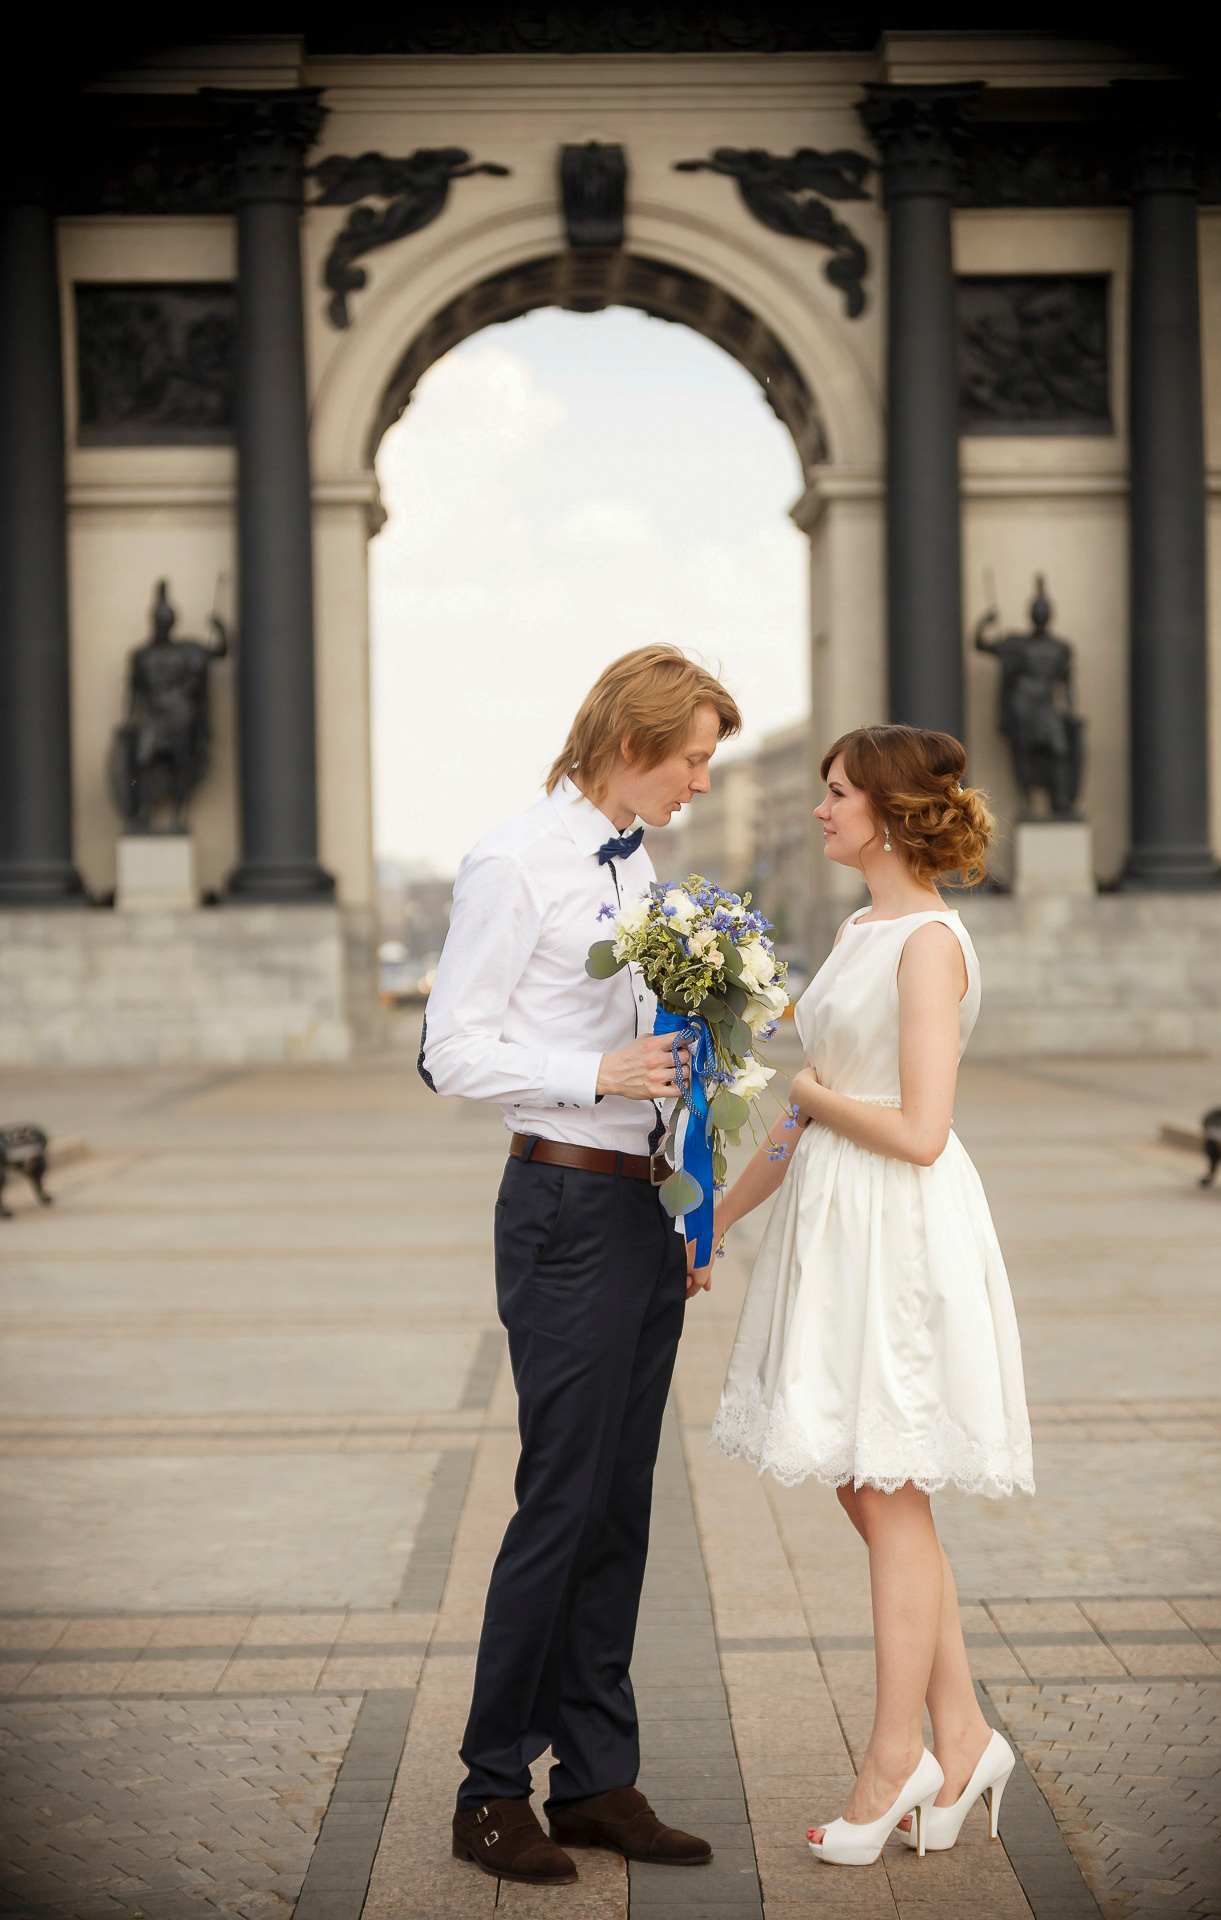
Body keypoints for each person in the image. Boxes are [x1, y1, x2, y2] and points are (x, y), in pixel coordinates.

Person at [421, 645, 742, 1886]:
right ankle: (490, 1788)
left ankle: (596, 1781)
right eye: (695, 759)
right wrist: (588, 1078)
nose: (703, 783)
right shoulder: (513, 860)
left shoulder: (638, 859)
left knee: (618, 1504)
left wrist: (692, 1213)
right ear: (631, 745)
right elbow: (450, 1052)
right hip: (557, 1203)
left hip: (637, 1215)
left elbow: (663, 1049)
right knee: (558, 1501)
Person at [702, 723, 1034, 1867]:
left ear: (887, 812)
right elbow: (802, 1113)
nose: (817, 809)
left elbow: (921, 1131)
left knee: (887, 1491)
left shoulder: (928, 944)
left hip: (897, 1232)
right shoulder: (855, 928)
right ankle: (963, 1732)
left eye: (834, 793)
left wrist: (805, 1086)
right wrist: (716, 1216)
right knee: (864, 1485)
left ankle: (894, 1760)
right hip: (834, 1223)